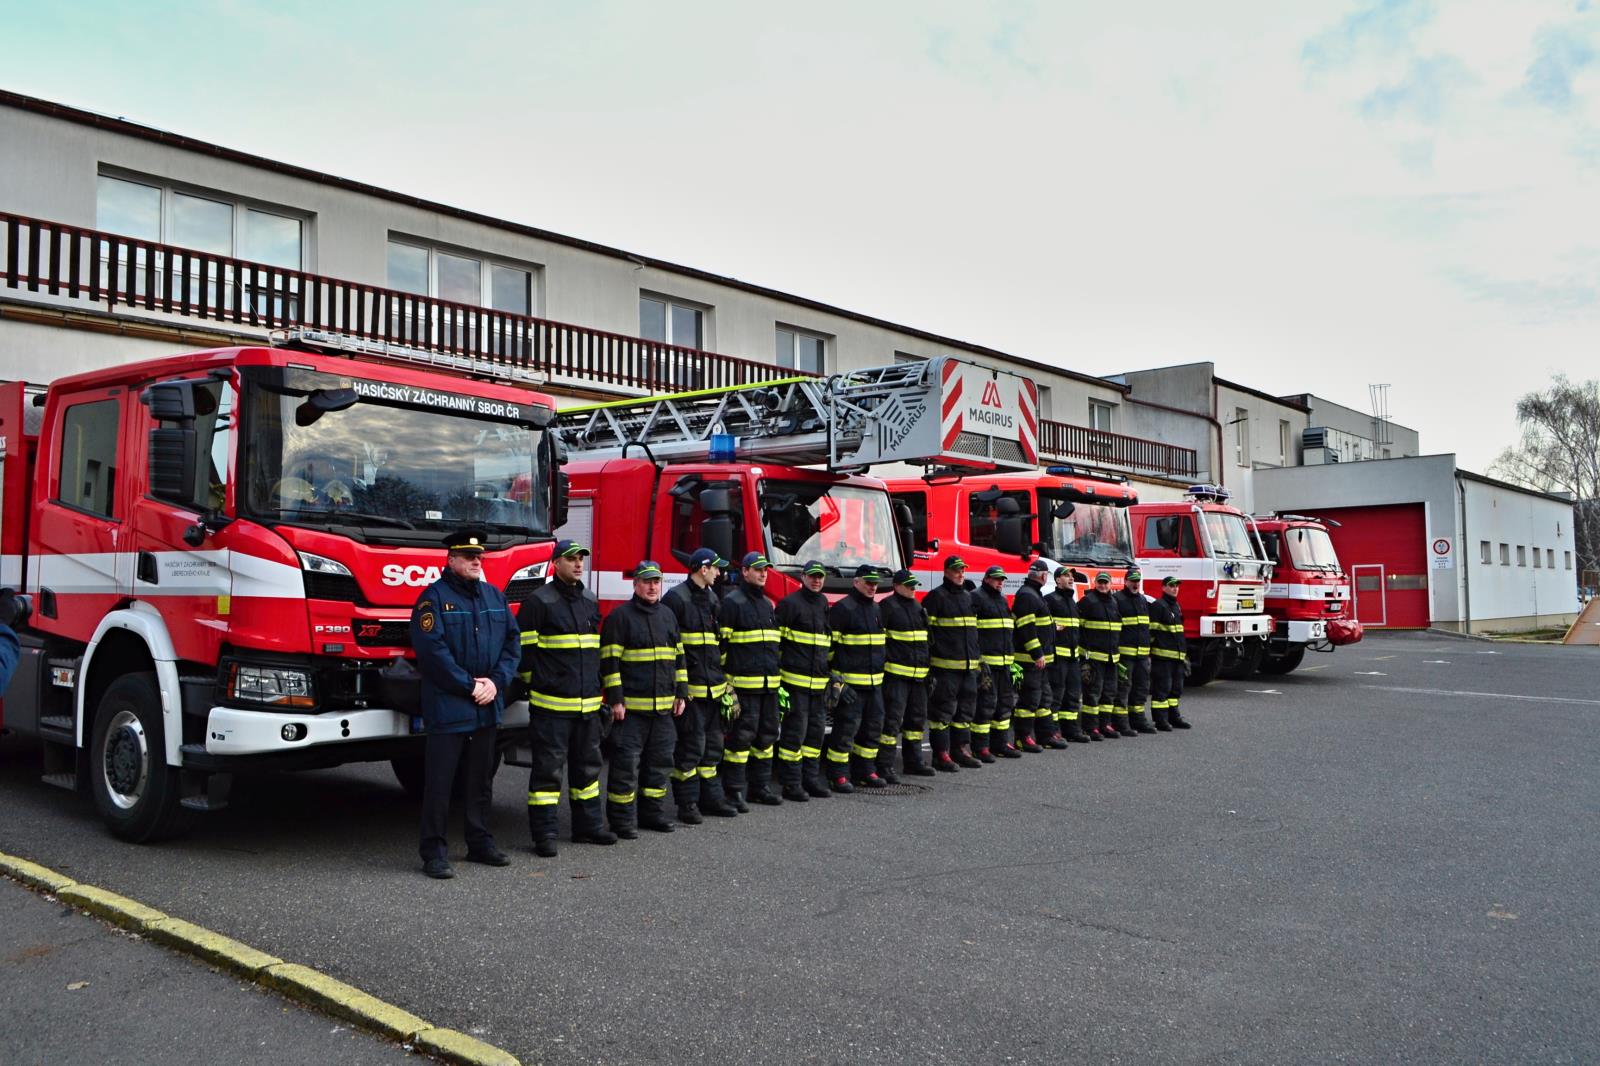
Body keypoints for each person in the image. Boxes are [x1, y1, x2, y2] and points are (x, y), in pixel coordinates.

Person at [408, 528, 520, 879]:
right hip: (449, 707)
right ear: (451, 559)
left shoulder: (493, 596)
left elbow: (512, 645)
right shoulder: (433, 599)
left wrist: (496, 682)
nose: (476, 561)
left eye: (479, 557)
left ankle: (479, 842)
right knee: (440, 784)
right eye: (468, 557)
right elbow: (432, 653)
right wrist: (470, 685)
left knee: (480, 782)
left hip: (486, 705)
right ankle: (434, 852)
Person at [518, 539, 614, 857]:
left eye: (581, 559)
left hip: (587, 708)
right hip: (552, 709)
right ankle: (544, 834)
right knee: (548, 772)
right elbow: (525, 656)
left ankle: (588, 828)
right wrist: (542, 687)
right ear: (556, 563)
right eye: (571, 559)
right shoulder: (538, 602)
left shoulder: (589, 600)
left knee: (588, 771)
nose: (578, 564)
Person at [600, 560, 689, 838]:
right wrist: (616, 700)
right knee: (625, 770)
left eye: (656, 581)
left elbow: (680, 658)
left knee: (659, 767)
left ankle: (653, 815)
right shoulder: (620, 617)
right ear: (635, 584)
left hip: (663, 711)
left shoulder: (668, 616)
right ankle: (622, 822)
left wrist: (681, 693)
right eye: (647, 581)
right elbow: (610, 662)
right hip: (631, 714)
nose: (652, 587)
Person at [663, 548, 739, 821]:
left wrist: (726, 686)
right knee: (690, 749)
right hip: (692, 692)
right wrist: (678, 691)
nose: (719, 573)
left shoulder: (711, 598)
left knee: (713, 748)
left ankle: (712, 800)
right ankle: (687, 805)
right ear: (702, 568)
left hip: (714, 690)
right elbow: (670, 650)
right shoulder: (676, 599)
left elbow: (716, 648)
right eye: (716, 568)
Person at [720, 552, 784, 809]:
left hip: (768, 687)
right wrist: (726, 685)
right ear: (744, 572)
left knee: (766, 739)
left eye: (765, 570)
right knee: (740, 741)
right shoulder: (732, 603)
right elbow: (722, 648)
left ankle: (760, 787)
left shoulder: (768, 604)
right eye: (757, 570)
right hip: (744, 688)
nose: (763, 573)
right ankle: (734, 791)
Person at [775, 560, 834, 801]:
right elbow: (777, 643)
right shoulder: (789, 604)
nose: (816, 580)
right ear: (803, 577)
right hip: (795, 683)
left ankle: (810, 779)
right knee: (793, 736)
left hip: (818, 685)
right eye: (812, 576)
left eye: (820, 577)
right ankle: (791, 783)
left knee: (815, 736)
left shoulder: (822, 603)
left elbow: (825, 643)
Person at [830, 565, 889, 789]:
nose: (873, 586)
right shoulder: (843, 609)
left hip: (874, 684)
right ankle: (838, 775)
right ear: (856, 582)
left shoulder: (876, 609)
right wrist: (837, 682)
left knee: (872, 730)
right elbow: (830, 650)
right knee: (845, 731)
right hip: (851, 686)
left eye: (875, 583)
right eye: (868, 582)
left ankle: (866, 771)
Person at [923, 556, 982, 772]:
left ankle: (961, 749)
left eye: (963, 570)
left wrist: (978, 661)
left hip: (968, 668)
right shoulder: (936, 597)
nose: (960, 574)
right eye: (956, 570)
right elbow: (926, 635)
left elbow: (973, 634)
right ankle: (941, 754)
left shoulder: (967, 597)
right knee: (942, 714)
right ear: (946, 572)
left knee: (965, 712)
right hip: (945, 668)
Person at [879, 568, 934, 778]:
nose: (913, 589)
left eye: (914, 586)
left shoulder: (918, 607)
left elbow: (925, 641)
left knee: (916, 722)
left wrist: (928, 671)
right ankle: (885, 765)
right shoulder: (887, 607)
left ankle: (914, 762)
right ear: (896, 586)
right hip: (896, 677)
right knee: (892, 722)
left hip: (918, 677)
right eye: (909, 586)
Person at [1008, 559, 1054, 757]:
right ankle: (1022, 737)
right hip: (1030, 660)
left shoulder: (1033, 593)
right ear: (1043, 575)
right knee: (1029, 701)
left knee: (1043, 698)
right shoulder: (1028, 595)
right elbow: (1026, 629)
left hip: (1038, 660)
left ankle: (1045, 735)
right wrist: (1037, 654)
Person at [971, 564, 1015, 763]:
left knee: (1004, 705)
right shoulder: (977, 597)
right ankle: (980, 747)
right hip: (987, 664)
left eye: (1002, 579)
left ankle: (1001, 744)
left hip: (1004, 663)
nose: (1000, 582)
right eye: (997, 579)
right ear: (986, 579)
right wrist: (978, 660)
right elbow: (972, 633)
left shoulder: (1003, 600)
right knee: (985, 706)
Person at [1077, 571, 1122, 741]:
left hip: (1111, 657)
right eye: (1100, 582)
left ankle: (1105, 724)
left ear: (1110, 584)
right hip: (1094, 657)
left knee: (1109, 693)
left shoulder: (1113, 602)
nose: (1103, 585)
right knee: (1092, 694)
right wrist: (1084, 655)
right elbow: (1078, 628)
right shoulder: (1087, 601)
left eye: (1106, 583)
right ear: (1095, 583)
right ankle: (1091, 727)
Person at [1044, 566, 1087, 745]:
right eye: (1066, 576)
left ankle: (1072, 730)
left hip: (1073, 659)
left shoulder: (1073, 603)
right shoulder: (1050, 600)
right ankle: (1053, 731)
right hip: (1058, 659)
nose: (1070, 579)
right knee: (1056, 696)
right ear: (1057, 580)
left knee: (1072, 695)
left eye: (1072, 576)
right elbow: (1044, 627)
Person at [1112, 569, 1157, 735]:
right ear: (1125, 582)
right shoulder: (1117, 600)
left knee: (1141, 689)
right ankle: (1121, 723)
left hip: (1142, 655)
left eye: (1137, 580)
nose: (1135, 583)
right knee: (1123, 689)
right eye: (1132, 580)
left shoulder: (1142, 600)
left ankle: (1138, 720)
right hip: (1126, 655)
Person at [1148, 576, 1191, 730]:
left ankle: (1174, 717)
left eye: (1176, 586)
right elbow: (1151, 632)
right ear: (1163, 587)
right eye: (1171, 586)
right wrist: (1151, 653)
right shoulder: (1159, 606)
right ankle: (1161, 720)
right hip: (1163, 657)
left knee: (1176, 689)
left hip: (1177, 657)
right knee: (1162, 690)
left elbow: (1178, 633)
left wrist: (1183, 655)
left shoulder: (1176, 606)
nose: (1175, 588)